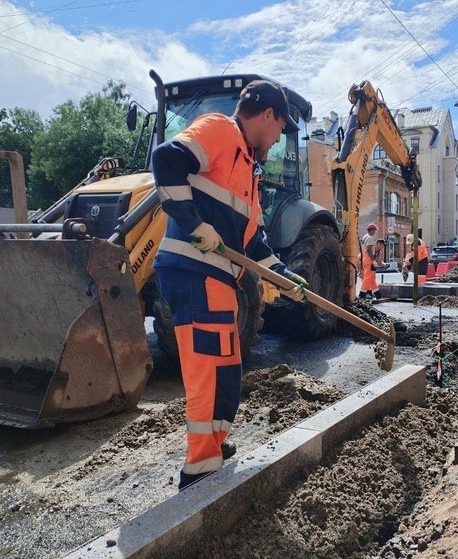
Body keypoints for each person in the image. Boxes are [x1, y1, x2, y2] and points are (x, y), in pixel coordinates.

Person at [151, 79, 309, 490]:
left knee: (227, 368)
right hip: (193, 271)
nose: (277, 139)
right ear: (267, 115)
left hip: (220, 277)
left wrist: (284, 275)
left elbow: (251, 241)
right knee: (209, 368)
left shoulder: (248, 168)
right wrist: (194, 224)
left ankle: (215, 445)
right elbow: (166, 160)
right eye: (279, 129)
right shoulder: (220, 129)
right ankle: (199, 470)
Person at [359, 223, 384, 299]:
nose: (375, 232)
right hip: (369, 261)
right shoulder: (370, 238)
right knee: (367, 279)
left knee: (372, 279)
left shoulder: (365, 237)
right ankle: (361, 295)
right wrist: (373, 260)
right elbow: (369, 250)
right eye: (374, 230)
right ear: (372, 230)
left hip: (365, 260)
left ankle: (378, 295)